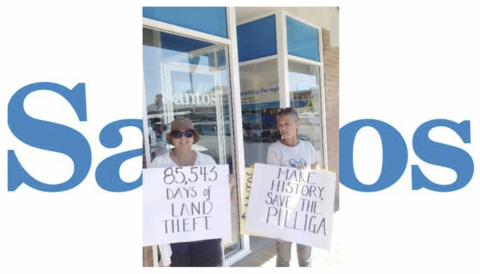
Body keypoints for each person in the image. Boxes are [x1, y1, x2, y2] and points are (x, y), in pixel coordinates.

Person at [151, 117, 235, 267]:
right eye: (178, 134)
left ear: (193, 137)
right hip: (175, 235)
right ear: (171, 138)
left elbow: (221, 201)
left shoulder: (207, 161)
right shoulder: (159, 163)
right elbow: (150, 199)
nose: (183, 138)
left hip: (206, 233)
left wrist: (228, 187)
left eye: (188, 134)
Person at [266, 107, 320, 267]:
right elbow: (274, 182)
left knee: (306, 259)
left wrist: (308, 172)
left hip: (304, 209)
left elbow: (315, 170)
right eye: (280, 124)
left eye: (287, 124)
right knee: (283, 260)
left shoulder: (307, 146)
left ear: (297, 124)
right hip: (284, 212)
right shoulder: (274, 149)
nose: (283, 128)